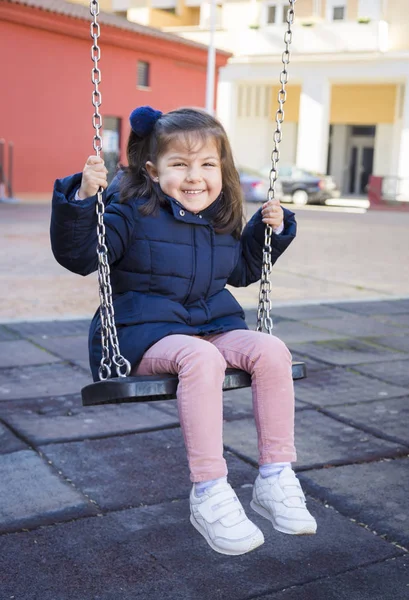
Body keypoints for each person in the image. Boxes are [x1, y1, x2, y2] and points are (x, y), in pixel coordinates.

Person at [51, 105, 317, 556]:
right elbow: (80, 257)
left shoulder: (219, 220)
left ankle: (276, 476)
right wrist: (82, 201)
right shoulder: (128, 212)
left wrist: (269, 232)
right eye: (180, 164)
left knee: (271, 349)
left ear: (222, 169)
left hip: (210, 326)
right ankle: (210, 490)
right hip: (143, 335)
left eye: (207, 164)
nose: (195, 177)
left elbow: (242, 271)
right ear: (153, 171)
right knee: (202, 358)